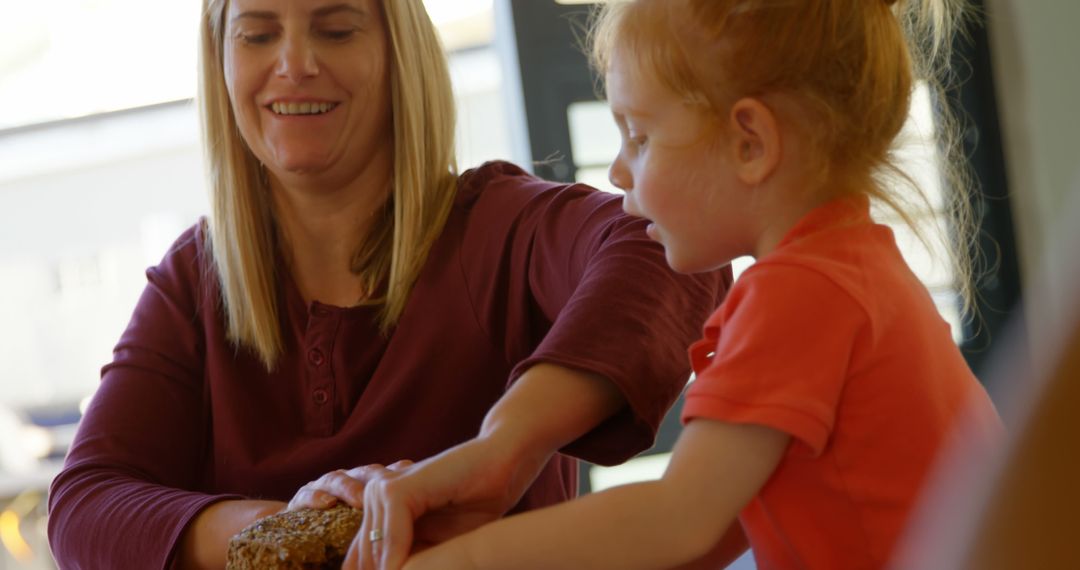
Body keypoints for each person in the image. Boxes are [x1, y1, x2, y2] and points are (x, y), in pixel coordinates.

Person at [44, 0, 727, 568]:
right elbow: (83, 506)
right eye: (257, 34)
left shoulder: (497, 227)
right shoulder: (193, 283)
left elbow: (667, 248)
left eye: (336, 29)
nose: (295, 64)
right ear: (220, 60)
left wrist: (503, 449)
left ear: (400, 52)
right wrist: (290, 532)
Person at [395, 0, 1004, 569]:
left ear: (750, 143)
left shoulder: (799, 294)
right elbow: (716, 531)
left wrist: (464, 561)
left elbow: (675, 521)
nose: (616, 169)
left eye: (639, 136)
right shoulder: (853, 266)